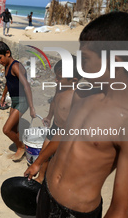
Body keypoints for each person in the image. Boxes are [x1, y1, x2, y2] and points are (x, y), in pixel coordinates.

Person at [25, 11, 128, 218]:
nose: (80, 66)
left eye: (86, 59)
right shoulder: (82, 94)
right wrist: (39, 162)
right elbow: (64, 136)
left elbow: (121, 207)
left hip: (77, 212)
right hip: (47, 194)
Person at [25, 56, 81, 184]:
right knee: (45, 154)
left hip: (66, 134)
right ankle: (40, 178)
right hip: (55, 126)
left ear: (74, 80)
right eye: (56, 76)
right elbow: (55, 102)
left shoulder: (76, 98)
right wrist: (49, 117)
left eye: (60, 78)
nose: (56, 80)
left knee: (60, 159)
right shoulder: (60, 87)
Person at [0, 41, 36, 161]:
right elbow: (9, 82)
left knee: (6, 129)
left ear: (8, 53)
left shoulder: (16, 66)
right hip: (14, 100)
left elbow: (26, 86)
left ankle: (21, 147)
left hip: (22, 101)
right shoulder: (6, 66)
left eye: (0, 58)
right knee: (14, 128)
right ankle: (24, 149)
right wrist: (3, 96)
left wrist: (32, 107)